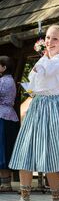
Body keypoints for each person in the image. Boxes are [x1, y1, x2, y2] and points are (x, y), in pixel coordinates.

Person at [8, 24, 59, 201]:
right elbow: (32, 82)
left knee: (50, 153)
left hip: (55, 106)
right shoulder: (45, 59)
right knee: (25, 150)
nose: (50, 42)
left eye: (55, 38)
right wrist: (44, 56)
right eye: (48, 38)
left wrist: (44, 56)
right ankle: (24, 198)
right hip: (39, 104)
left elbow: (45, 71)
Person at [0, 56, 19, 192]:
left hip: (2, 116)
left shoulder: (2, 81)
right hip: (10, 116)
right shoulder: (11, 80)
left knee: (2, 149)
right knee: (7, 148)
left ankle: (5, 183)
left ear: (4, 67)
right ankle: (6, 183)